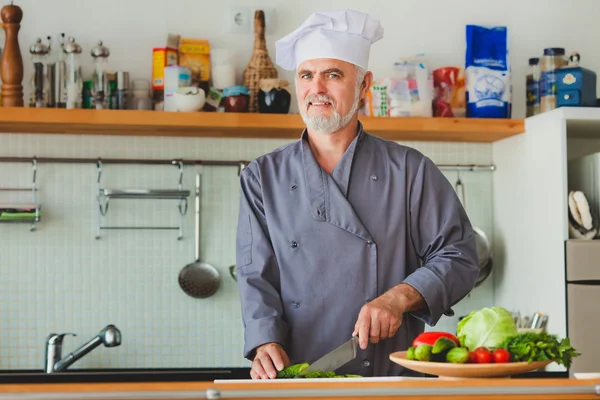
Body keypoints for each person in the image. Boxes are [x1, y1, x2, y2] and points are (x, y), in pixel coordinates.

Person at [234, 9, 480, 380]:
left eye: (333, 75)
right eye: (306, 75)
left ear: (364, 86)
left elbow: (460, 255)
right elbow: (255, 276)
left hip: (388, 375)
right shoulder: (261, 177)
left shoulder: (410, 170)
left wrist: (399, 298)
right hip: (299, 375)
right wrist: (265, 341)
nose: (317, 89)